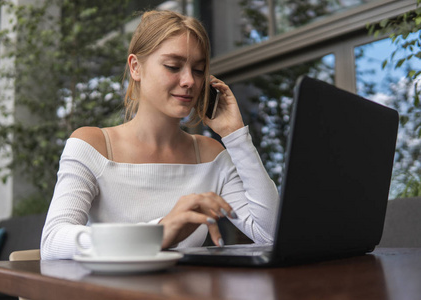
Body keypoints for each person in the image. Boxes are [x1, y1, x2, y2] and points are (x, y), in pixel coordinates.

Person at [40, 10, 279, 260]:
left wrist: (236, 136)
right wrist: (158, 232)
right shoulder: (93, 146)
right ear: (135, 67)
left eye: (198, 70)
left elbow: (270, 235)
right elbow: (53, 241)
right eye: (173, 66)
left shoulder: (210, 155)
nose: (189, 81)